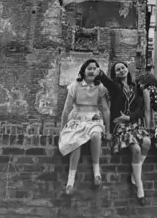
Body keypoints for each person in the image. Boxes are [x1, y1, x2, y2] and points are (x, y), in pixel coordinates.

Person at [95, 60, 151, 206]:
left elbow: (140, 108)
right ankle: (140, 188)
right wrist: (99, 72)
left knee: (147, 142)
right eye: (117, 69)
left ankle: (134, 174)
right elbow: (106, 81)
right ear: (115, 74)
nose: (121, 70)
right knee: (137, 149)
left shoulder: (135, 87)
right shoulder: (115, 87)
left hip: (133, 122)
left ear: (127, 69)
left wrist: (130, 117)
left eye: (123, 67)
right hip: (120, 125)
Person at [59, 58, 110, 195]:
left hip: (93, 116)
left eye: (95, 68)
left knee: (95, 135)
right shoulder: (74, 86)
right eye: (89, 68)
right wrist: (63, 128)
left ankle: (96, 172)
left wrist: (108, 130)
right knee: (75, 142)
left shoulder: (100, 88)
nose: (92, 71)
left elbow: (105, 109)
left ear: (98, 72)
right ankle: (70, 181)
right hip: (77, 116)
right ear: (83, 71)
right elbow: (66, 109)